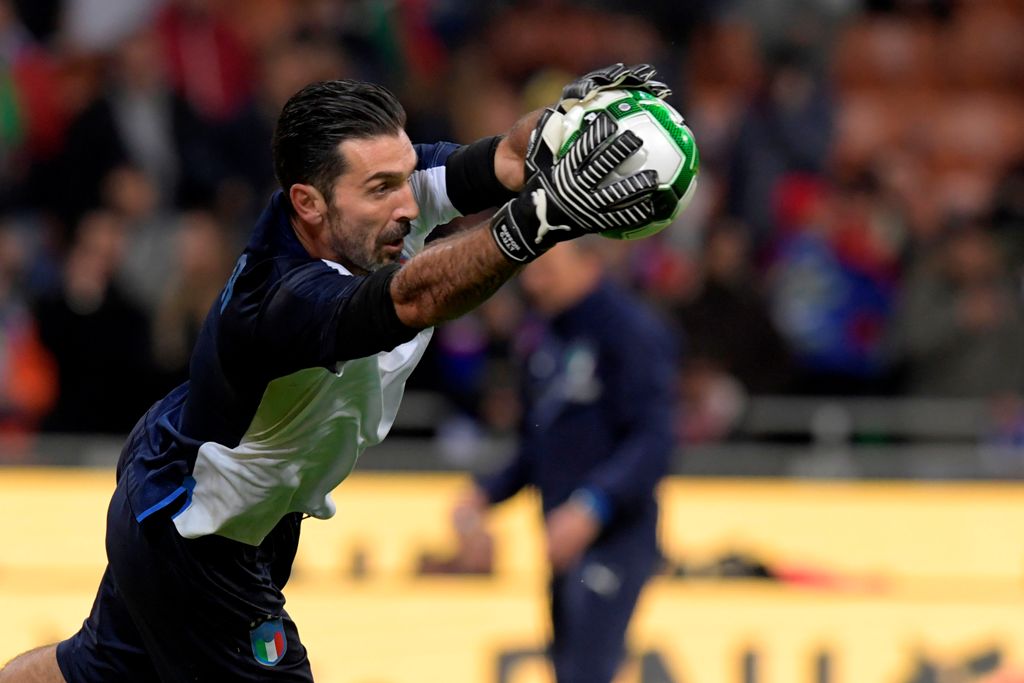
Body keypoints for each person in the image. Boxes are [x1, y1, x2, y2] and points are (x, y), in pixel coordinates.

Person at [0, 63, 672, 682]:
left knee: (93, 670)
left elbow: (507, 157)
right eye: (380, 187)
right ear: (309, 203)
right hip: (200, 535)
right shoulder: (281, 297)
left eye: (406, 174)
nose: (407, 204)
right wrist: (540, 222)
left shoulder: (378, 206)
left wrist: (565, 123)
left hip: (204, 487)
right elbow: (411, 297)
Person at [452, 239, 678, 683]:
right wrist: (484, 493)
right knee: (568, 671)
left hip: (614, 536)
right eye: (531, 269)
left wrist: (592, 506)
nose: (534, 281)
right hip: (560, 536)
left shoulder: (631, 332)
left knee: (586, 672)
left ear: (590, 264)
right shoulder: (545, 338)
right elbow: (536, 446)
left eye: (547, 268)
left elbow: (654, 439)